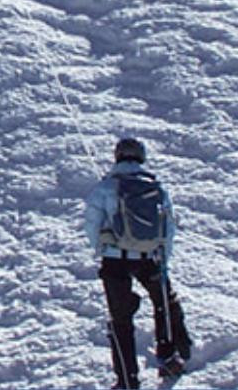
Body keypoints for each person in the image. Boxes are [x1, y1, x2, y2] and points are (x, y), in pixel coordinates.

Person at [84, 138, 193, 389]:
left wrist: (101, 248)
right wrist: (163, 258)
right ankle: (169, 354)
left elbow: (91, 224)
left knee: (121, 320)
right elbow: (168, 227)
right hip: (149, 258)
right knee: (163, 303)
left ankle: (127, 380)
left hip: (115, 260)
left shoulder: (106, 187)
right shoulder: (156, 187)